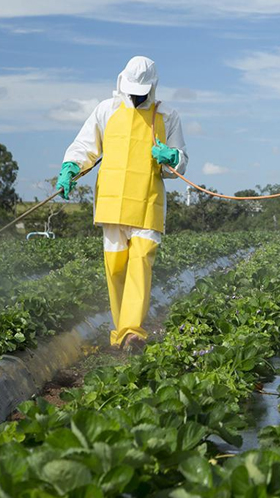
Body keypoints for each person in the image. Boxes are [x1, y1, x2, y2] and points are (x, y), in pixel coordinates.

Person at [57, 56, 188, 351]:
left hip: (147, 201)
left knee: (141, 263)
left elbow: (180, 163)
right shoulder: (107, 110)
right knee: (115, 268)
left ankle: (132, 332)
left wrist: (172, 157)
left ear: (152, 87)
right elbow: (85, 146)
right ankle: (120, 335)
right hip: (112, 203)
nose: (136, 94)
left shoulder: (167, 116)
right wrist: (70, 169)